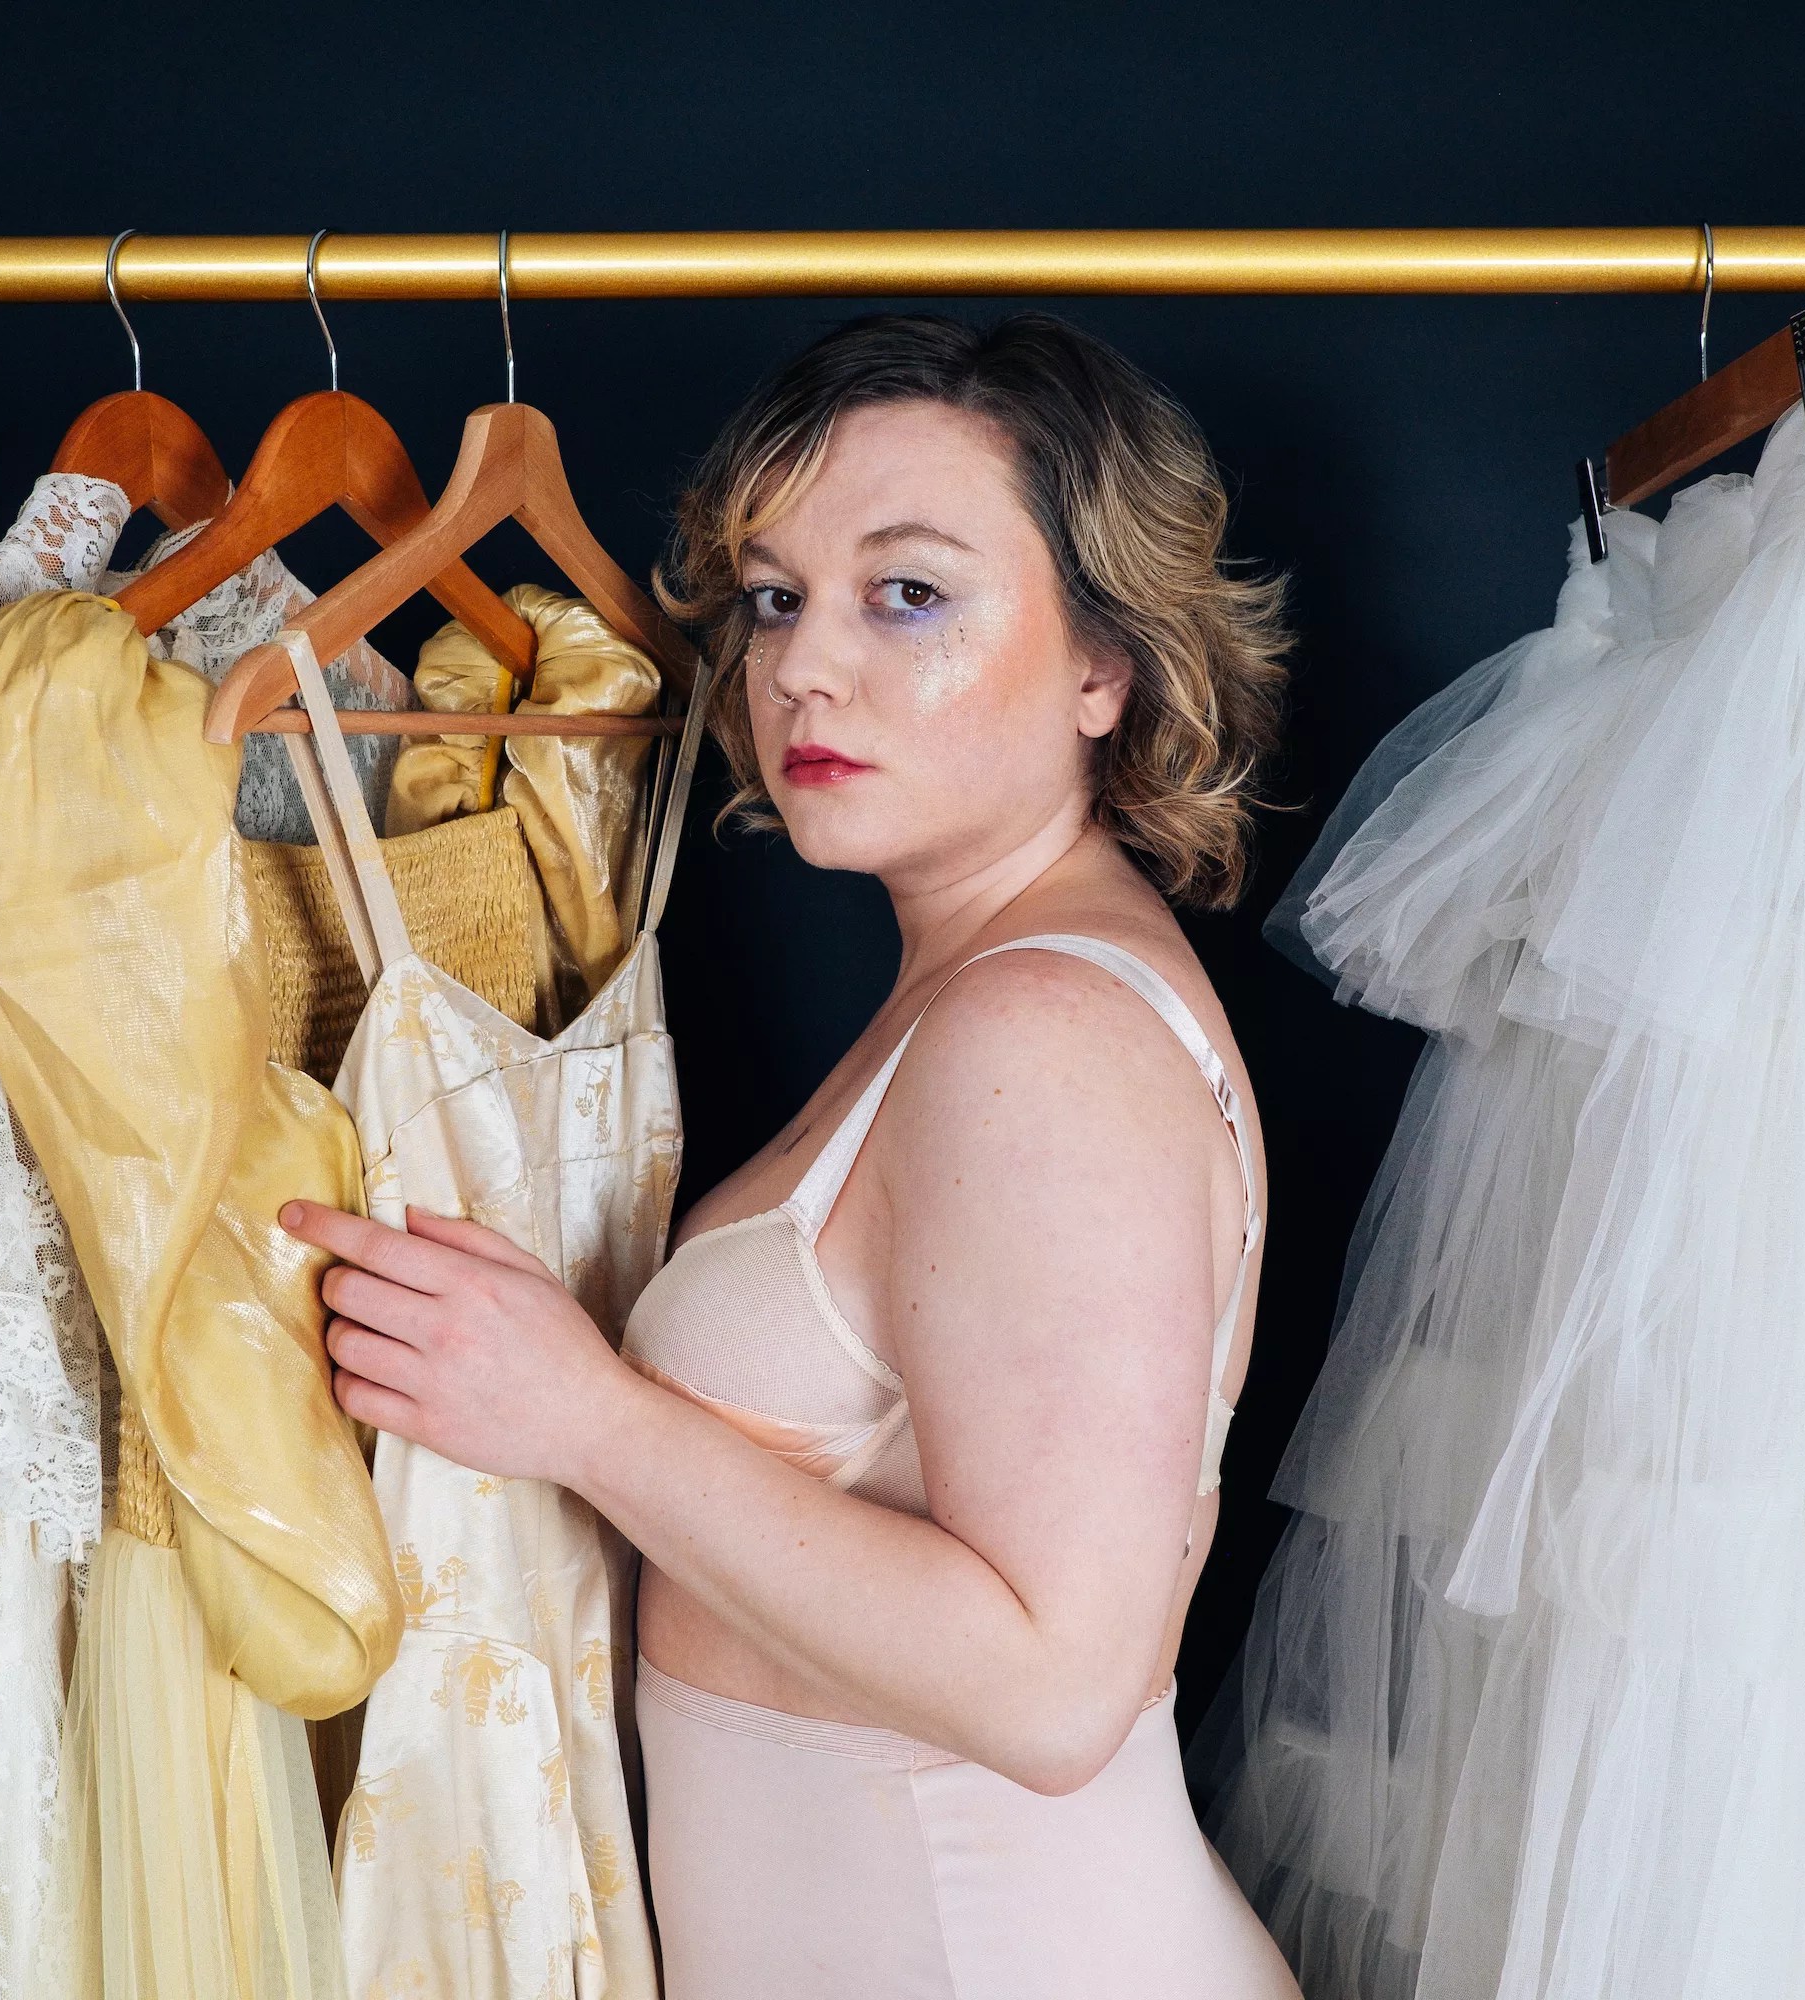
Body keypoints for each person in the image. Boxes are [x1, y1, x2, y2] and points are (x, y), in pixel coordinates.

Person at [282, 312, 1302, 1998]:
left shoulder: (1041, 1034)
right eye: (775, 598)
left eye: (907, 592)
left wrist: (585, 1416)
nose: (803, 668)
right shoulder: (975, 990)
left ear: (1105, 668)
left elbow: (1055, 1687)